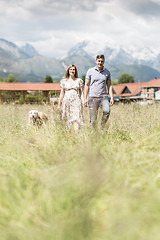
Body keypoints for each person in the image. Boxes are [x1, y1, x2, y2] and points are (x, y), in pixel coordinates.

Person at [83, 54, 114, 128]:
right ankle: (93, 134)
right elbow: (86, 85)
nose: (100, 63)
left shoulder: (107, 72)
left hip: (103, 97)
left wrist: (112, 97)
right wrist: (84, 98)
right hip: (92, 97)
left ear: (104, 62)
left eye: (102, 61)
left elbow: (109, 85)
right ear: (96, 61)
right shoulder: (90, 71)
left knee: (107, 111)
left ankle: (101, 127)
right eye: (99, 61)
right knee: (93, 118)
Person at [58, 64, 83, 131]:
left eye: (74, 69)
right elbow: (61, 93)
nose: (72, 71)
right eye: (71, 69)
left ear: (75, 71)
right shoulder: (64, 81)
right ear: (68, 71)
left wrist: (82, 101)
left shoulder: (79, 81)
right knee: (67, 118)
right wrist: (59, 104)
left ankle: (76, 134)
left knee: (76, 118)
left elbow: (81, 93)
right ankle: (68, 134)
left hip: (76, 101)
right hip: (66, 101)